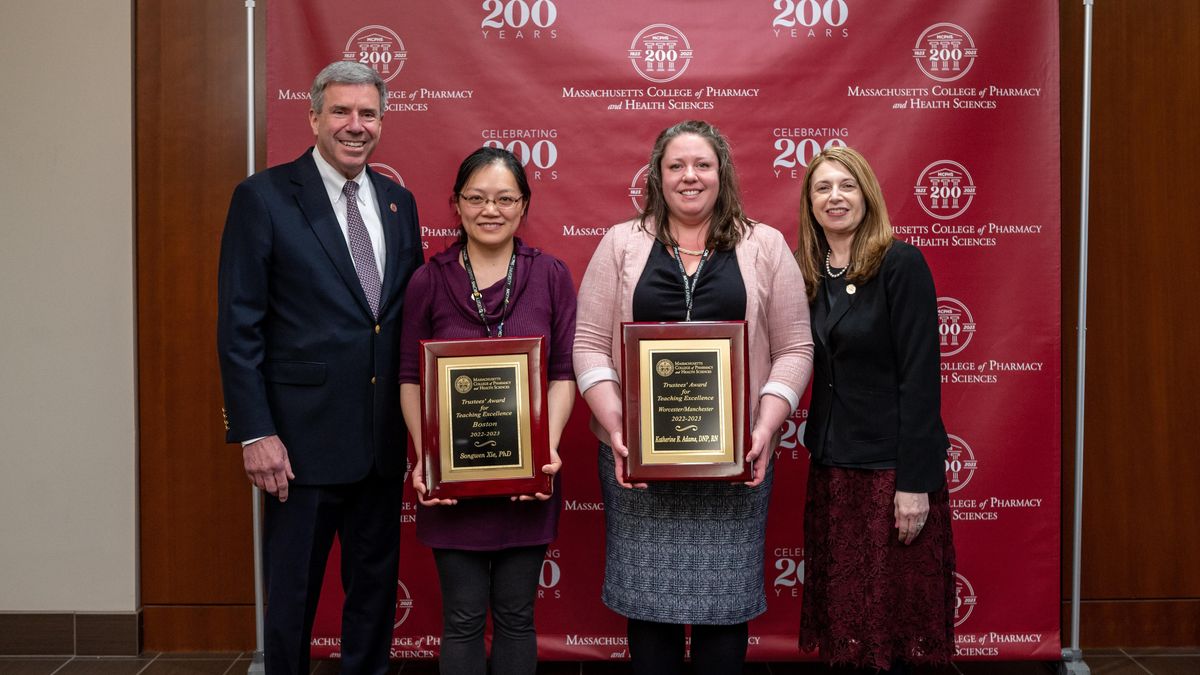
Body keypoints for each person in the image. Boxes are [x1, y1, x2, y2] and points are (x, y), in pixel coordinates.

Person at [573, 120, 813, 674]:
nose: (690, 177)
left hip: (737, 461)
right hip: (637, 462)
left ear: (722, 173)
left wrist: (764, 429)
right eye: (676, 165)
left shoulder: (766, 245)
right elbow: (588, 346)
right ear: (657, 176)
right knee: (649, 615)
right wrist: (618, 429)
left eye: (702, 165)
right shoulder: (619, 244)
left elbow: (796, 348)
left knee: (724, 617)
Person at [216, 61, 423, 675]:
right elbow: (238, 326)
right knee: (293, 599)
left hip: (382, 443)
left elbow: (395, 319)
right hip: (297, 446)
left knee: (373, 596)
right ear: (313, 116)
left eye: (367, 114)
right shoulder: (264, 197)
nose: (354, 125)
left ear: (382, 123)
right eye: (341, 111)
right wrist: (256, 432)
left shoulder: (397, 202)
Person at [398, 146, 577, 675]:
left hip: (529, 475)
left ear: (524, 205)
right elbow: (410, 379)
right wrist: (425, 455)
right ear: (456, 204)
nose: (490, 210)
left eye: (504, 198)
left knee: (518, 617)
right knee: (462, 619)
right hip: (451, 482)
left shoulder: (551, 275)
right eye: (475, 198)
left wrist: (546, 447)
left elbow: (563, 373)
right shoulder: (427, 280)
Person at [794, 146, 956, 672]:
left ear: (867, 195)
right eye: (823, 188)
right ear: (810, 202)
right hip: (833, 467)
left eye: (847, 185)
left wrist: (915, 483)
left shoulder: (900, 264)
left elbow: (921, 379)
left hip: (891, 474)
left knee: (893, 623)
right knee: (846, 618)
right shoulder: (810, 273)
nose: (835, 197)